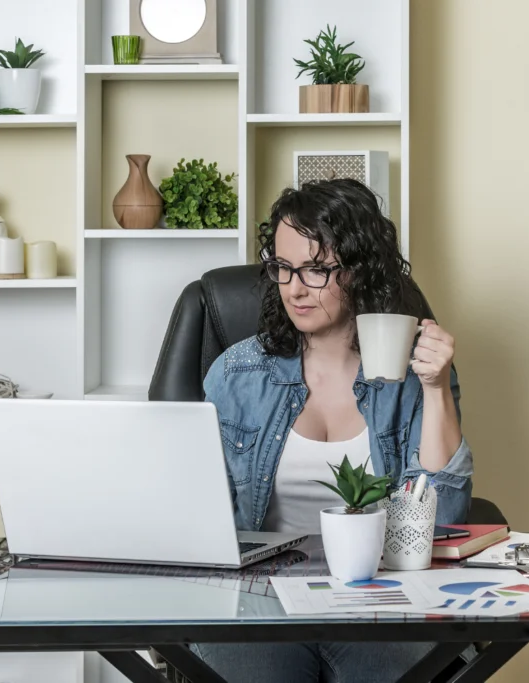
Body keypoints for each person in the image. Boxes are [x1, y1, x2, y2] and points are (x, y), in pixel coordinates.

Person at [193, 178, 474, 683]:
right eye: (282, 268)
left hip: (381, 594)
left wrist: (434, 390)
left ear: (360, 271)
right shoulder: (237, 374)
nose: (294, 288)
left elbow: (441, 519)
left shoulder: (415, 370)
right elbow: (192, 515)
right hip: (260, 595)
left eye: (316, 270)